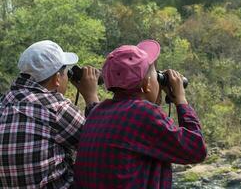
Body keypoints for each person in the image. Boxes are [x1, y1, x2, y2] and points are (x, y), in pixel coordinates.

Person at [74, 39, 207, 188]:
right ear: (147, 84)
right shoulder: (144, 115)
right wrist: (181, 100)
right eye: (156, 75)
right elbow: (196, 150)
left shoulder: (97, 112)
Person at [0, 40, 99, 188]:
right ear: (57, 78)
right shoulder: (56, 109)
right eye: (65, 72)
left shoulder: (4, 102)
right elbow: (100, 143)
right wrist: (91, 96)